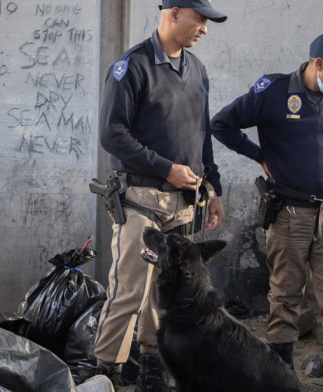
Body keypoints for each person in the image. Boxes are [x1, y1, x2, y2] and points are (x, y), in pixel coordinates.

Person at [211, 32, 323, 392]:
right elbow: (222, 124)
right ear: (319, 64)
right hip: (290, 212)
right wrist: (259, 155)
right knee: (286, 293)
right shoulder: (274, 93)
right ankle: (281, 372)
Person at [93, 1, 226, 390]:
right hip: (141, 200)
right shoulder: (132, 67)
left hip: (183, 206)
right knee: (130, 290)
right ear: (174, 13)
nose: (205, 28)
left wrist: (212, 188)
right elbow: (111, 134)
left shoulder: (196, 69)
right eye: (200, 19)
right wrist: (166, 167)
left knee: (163, 292)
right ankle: (106, 372)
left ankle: (152, 367)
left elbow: (202, 138)